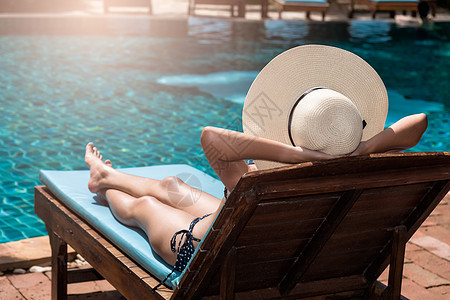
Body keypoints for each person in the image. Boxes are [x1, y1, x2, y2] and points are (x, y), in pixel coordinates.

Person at [84, 45, 428, 286]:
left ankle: (105, 185)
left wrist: (299, 155)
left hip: (208, 254)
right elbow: (419, 123)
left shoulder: (260, 180)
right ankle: (107, 174)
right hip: (264, 245)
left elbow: (212, 138)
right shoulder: (369, 169)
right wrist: (363, 147)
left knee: (144, 205)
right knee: (171, 185)